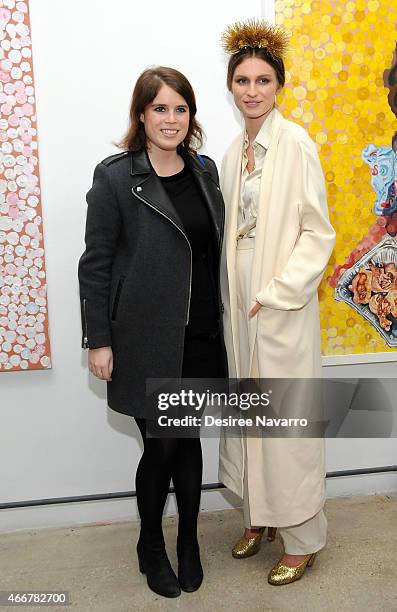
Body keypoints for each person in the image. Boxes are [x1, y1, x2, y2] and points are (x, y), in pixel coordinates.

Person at [78, 66, 226, 598]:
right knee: (162, 445)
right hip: (142, 338)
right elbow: (95, 264)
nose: (171, 119)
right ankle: (150, 543)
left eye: (180, 108)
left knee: (186, 442)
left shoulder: (206, 172)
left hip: (201, 334)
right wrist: (98, 338)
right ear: (141, 115)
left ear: (191, 115)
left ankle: (188, 541)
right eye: (160, 108)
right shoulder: (117, 177)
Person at [218, 20, 336, 585]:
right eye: (242, 80)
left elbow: (318, 233)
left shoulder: (296, 144)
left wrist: (278, 293)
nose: (252, 90)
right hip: (239, 302)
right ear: (231, 87)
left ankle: (303, 537)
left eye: (263, 80)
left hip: (277, 301)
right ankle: (260, 516)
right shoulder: (230, 152)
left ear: (279, 87)